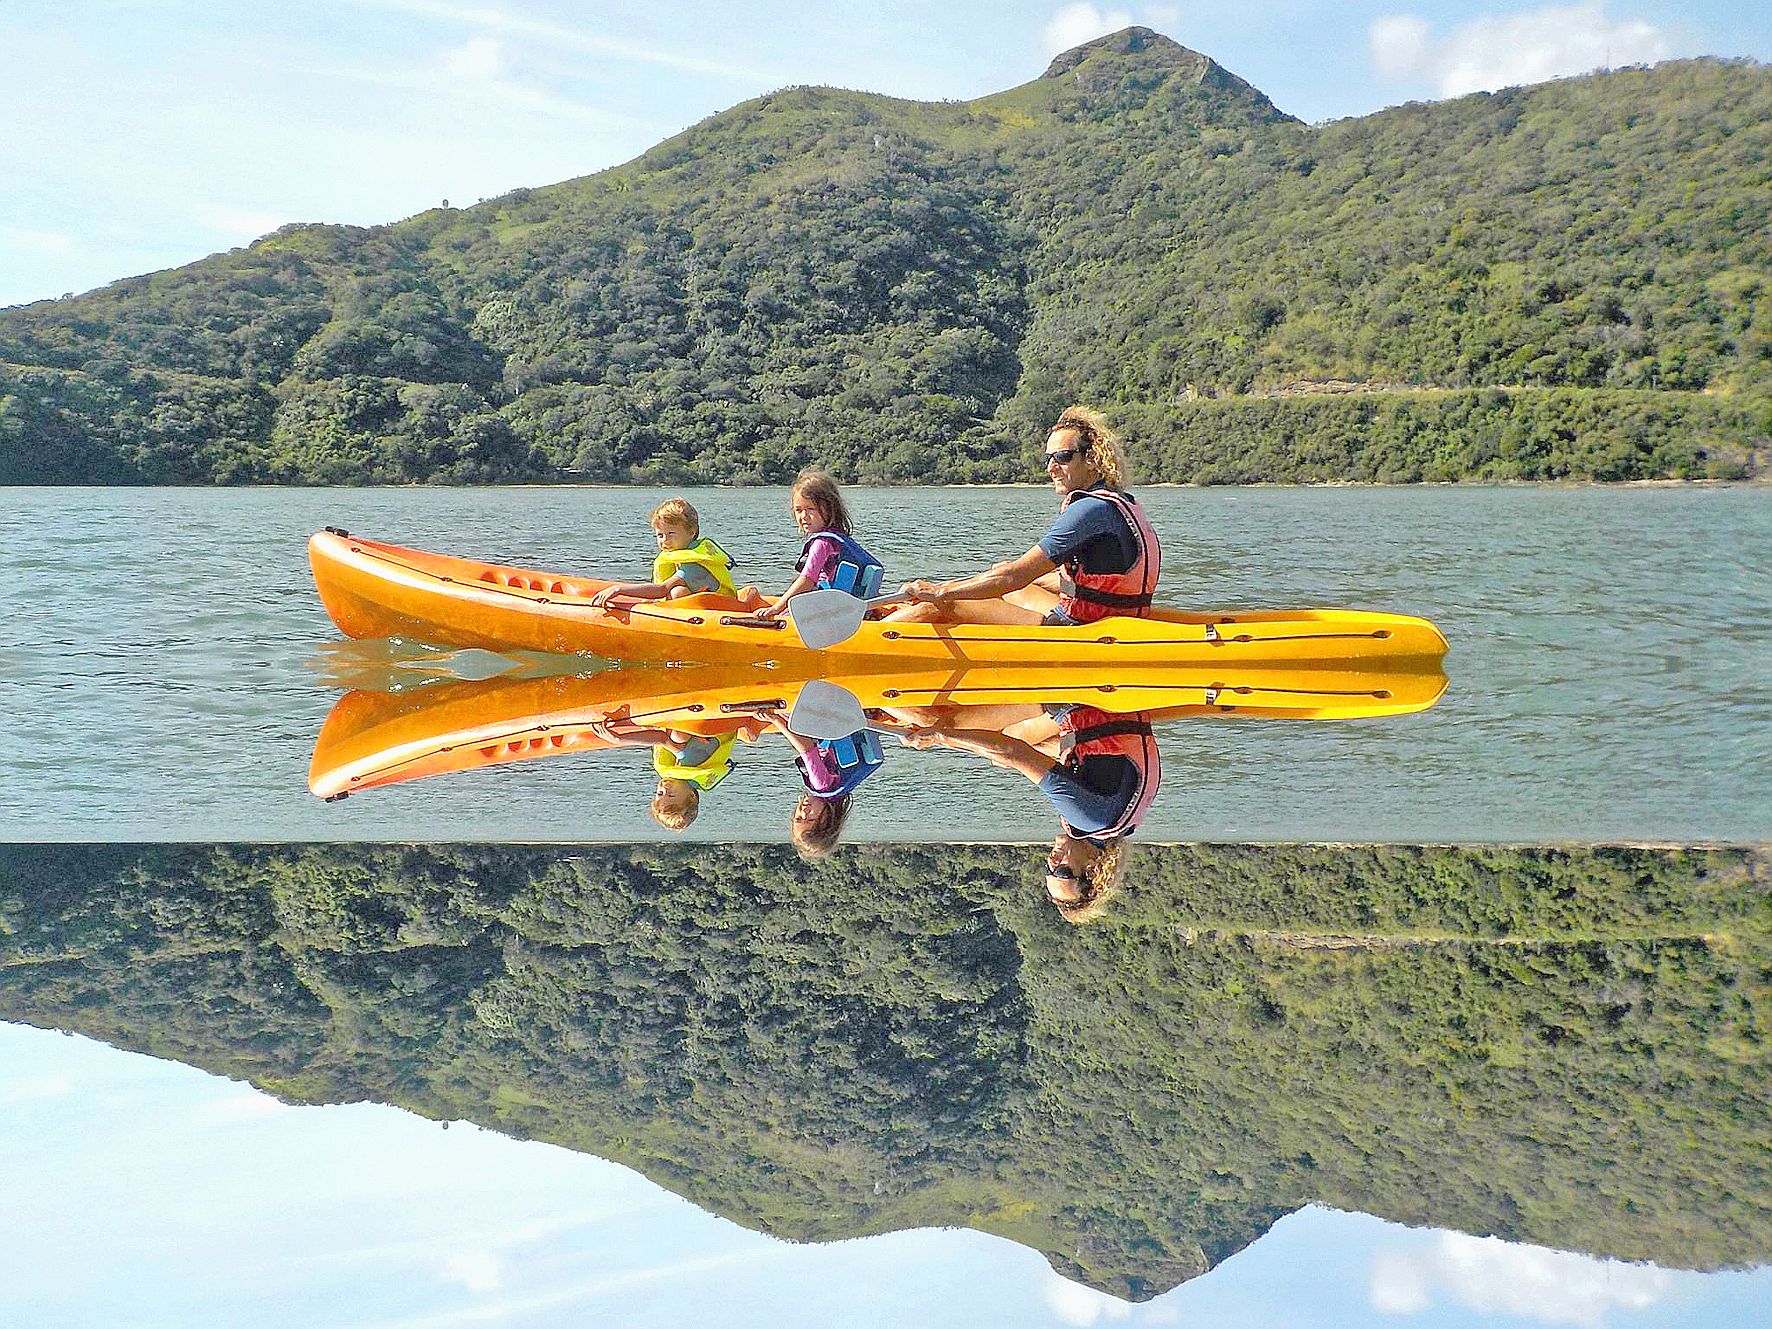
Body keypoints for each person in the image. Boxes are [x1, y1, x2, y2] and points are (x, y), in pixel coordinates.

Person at [892, 700, 1166, 921]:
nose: (1052, 861)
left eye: (1048, 869)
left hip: (1111, 703)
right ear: (1093, 868)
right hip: (1079, 696)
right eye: (1062, 871)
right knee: (940, 724)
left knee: (987, 742)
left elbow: (1044, 751)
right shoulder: (1090, 818)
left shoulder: (1121, 824)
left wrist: (976, 742)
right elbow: (1012, 752)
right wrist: (942, 736)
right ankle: (866, 697)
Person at [888, 406, 1160, 627]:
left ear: (1091, 459)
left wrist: (940, 591)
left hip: (1080, 629)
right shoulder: (1121, 502)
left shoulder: (1088, 509)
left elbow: (1013, 576)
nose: (1051, 467)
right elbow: (1096, 580)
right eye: (1049, 458)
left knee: (936, 606)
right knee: (1005, 578)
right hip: (1117, 620)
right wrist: (1028, 578)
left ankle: (865, 635)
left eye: (1063, 457)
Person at [755, 470, 885, 621]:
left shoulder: (821, 543)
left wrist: (776, 608)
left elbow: (807, 580)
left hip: (826, 614)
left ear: (830, 508)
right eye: (798, 510)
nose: (803, 516)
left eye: (811, 509)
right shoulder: (840, 539)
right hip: (845, 608)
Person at [590, 498, 739, 607]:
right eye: (660, 535)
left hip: (722, 610)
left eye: (671, 533)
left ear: (691, 532)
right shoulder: (683, 552)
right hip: (707, 604)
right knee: (667, 594)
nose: (665, 540)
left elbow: (662, 589)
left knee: (676, 592)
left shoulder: (695, 564)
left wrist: (619, 589)